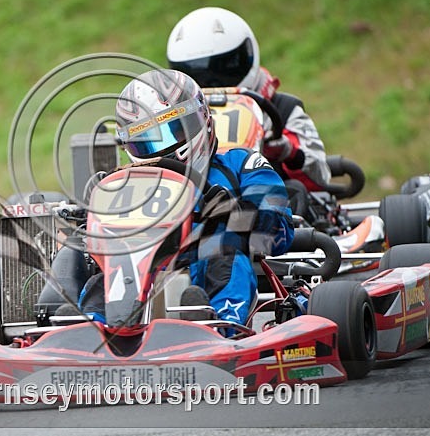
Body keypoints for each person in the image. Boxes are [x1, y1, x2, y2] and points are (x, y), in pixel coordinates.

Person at [78, 69, 293, 333]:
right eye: (146, 139)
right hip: (142, 269)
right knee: (79, 256)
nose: (160, 148)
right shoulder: (126, 183)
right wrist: (92, 215)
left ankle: (221, 328)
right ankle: (86, 332)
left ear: (199, 120)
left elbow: (281, 234)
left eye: (170, 131)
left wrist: (235, 212)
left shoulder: (242, 164)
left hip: (206, 264)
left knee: (223, 246)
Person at [166, 6, 332, 194]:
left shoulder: (282, 110)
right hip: (198, 209)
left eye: (223, 68)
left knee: (297, 190)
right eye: (197, 75)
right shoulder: (176, 120)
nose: (212, 85)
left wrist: (288, 152)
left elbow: (321, 178)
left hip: (275, 209)